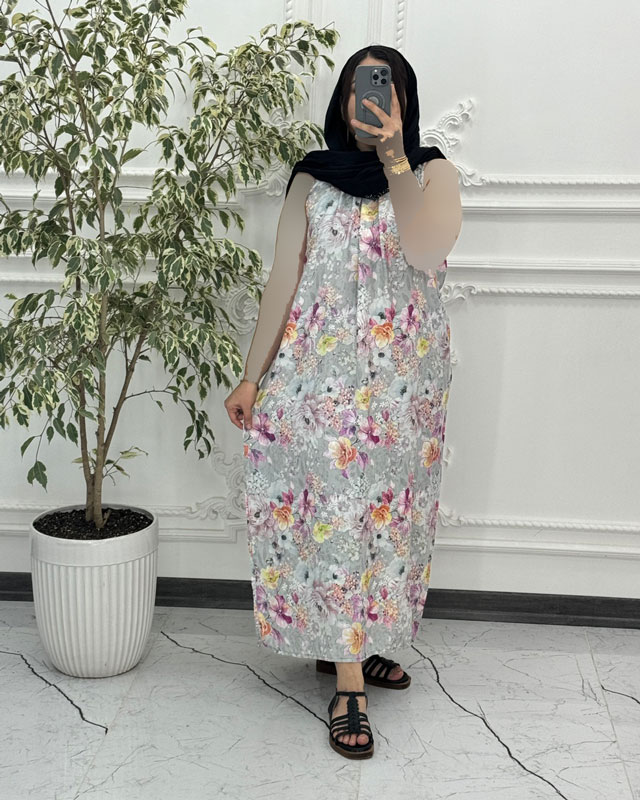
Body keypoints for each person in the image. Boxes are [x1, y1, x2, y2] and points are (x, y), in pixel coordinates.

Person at [224, 45, 462, 759]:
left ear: (404, 99)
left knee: (387, 520)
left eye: (384, 88)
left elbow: (425, 249)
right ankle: (349, 681)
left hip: (401, 390)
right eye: (360, 87)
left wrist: (394, 157)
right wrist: (251, 375)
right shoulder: (313, 176)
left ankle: (359, 640)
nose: (371, 99)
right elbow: (284, 279)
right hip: (316, 382)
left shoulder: (432, 172)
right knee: (332, 518)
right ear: (343, 98)